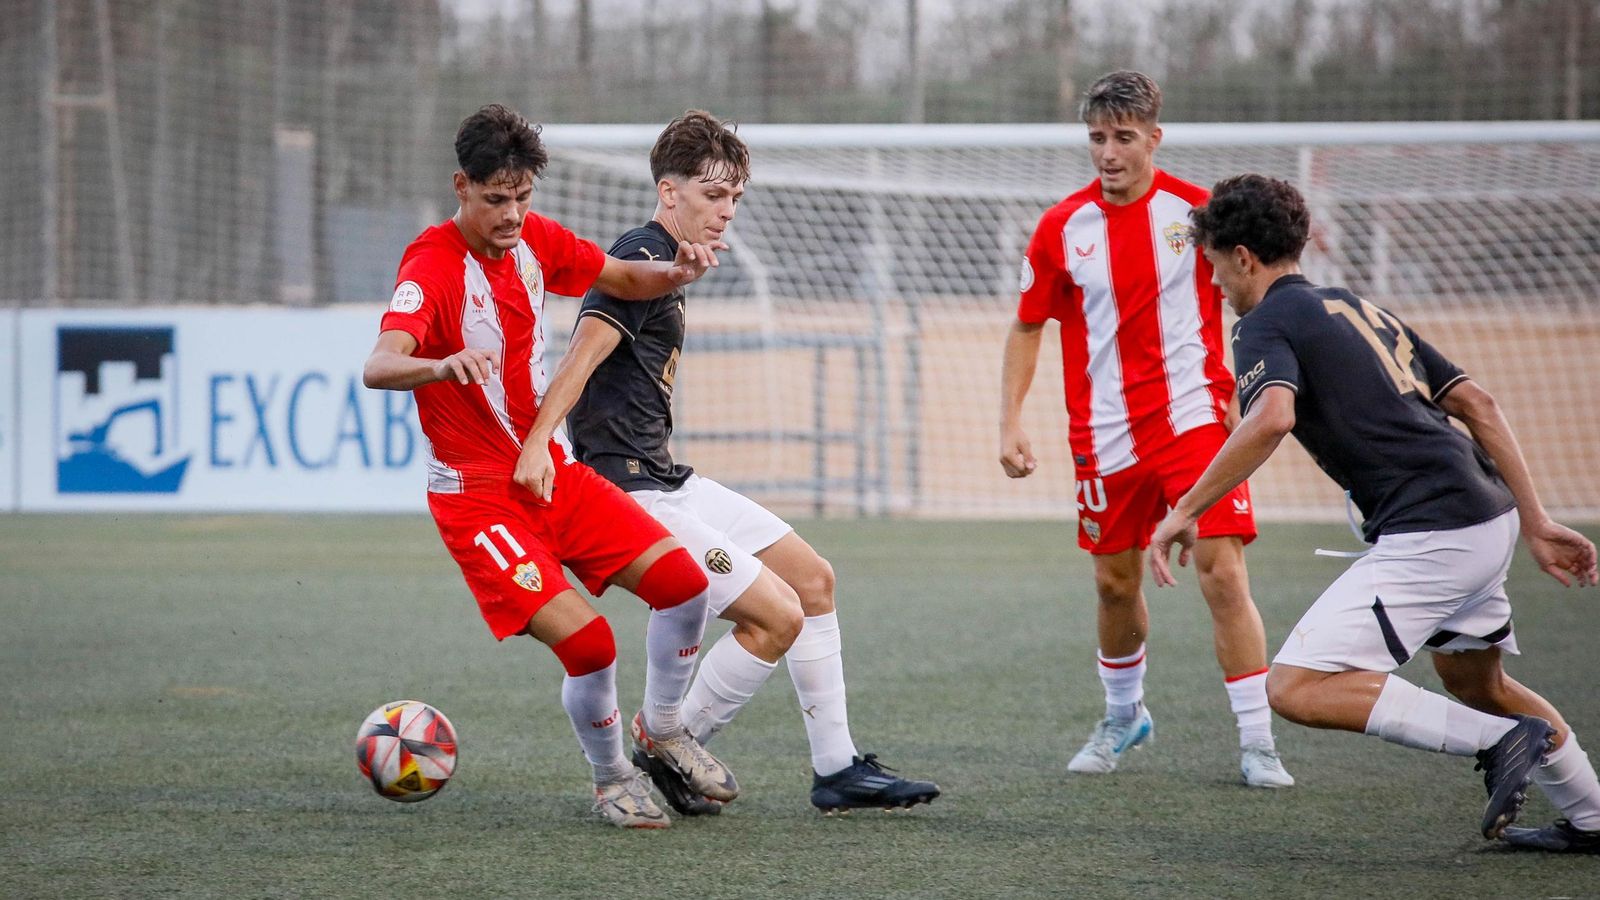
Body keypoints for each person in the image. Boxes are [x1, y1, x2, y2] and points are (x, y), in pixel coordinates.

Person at [1149, 173, 1600, 849]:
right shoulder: (1351, 304)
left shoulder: (1262, 322)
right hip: (1487, 515)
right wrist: (1534, 521)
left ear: (1242, 256)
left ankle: (1503, 743)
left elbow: (1272, 418)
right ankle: (1594, 817)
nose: (1212, 283)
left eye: (1212, 265)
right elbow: (1477, 403)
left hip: (1435, 532)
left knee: (1295, 687)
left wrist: (1185, 508)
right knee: (1479, 682)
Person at [524, 109, 941, 815]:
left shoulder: (669, 262)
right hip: (627, 491)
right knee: (776, 619)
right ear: (668, 192)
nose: (725, 211)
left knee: (813, 581)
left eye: (734, 198)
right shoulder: (639, 256)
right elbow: (580, 356)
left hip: (665, 477)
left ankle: (835, 767)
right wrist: (539, 442)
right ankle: (666, 746)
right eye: (713, 195)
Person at [363, 103, 740, 830]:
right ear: (461, 187)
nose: (511, 214)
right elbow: (380, 364)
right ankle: (610, 779)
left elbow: (622, 279)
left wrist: (674, 272)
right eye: (495, 199)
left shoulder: (535, 240)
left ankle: (662, 727)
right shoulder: (432, 265)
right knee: (591, 642)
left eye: (522, 197)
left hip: (553, 473)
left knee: (685, 586)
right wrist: (438, 364)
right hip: (479, 501)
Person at [999, 70, 1293, 787]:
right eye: (1097, 138)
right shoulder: (1062, 228)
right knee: (1112, 583)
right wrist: (1007, 421)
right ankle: (1124, 714)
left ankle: (1258, 743)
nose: (1108, 152)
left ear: (1154, 138)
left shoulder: (1199, 214)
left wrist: (1248, 388)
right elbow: (1028, 324)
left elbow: (1258, 296)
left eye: (1123, 138)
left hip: (1193, 420)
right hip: (1101, 434)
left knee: (1222, 572)